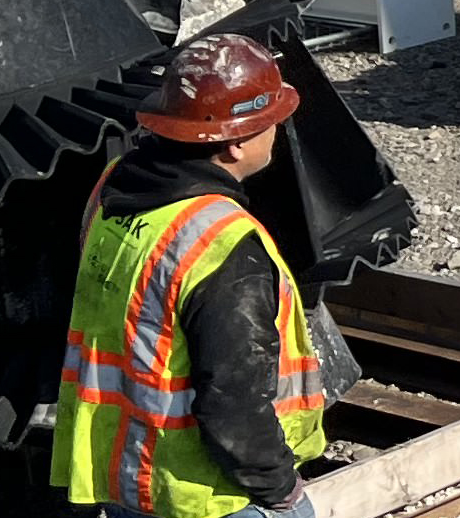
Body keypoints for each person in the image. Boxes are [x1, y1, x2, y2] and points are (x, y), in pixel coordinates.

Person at [55, 34, 330, 518]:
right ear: (237, 142)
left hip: (128, 477)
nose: (277, 132)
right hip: (209, 496)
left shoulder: (115, 186)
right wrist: (278, 487)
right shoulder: (221, 244)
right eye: (271, 122)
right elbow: (233, 400)